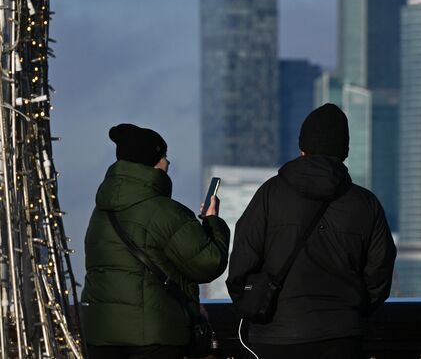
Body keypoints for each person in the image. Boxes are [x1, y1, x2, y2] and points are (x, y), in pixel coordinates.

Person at [228, 103, 396, 359]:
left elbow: (242, 260)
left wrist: (253, 303)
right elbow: (379, 273)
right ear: (344, 151)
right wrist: (352, 310)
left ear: (302, 148)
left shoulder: (270, 194)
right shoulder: (366, 203)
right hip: (340, 336)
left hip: (275, 335)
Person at [81, 123, 230, 359]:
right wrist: (213, 221)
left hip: (101, 334)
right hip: (154, 337)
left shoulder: (100, 212)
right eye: (164, 156)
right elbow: (209, 263)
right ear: (153, 161)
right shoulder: (165, 212)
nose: (168, 162)